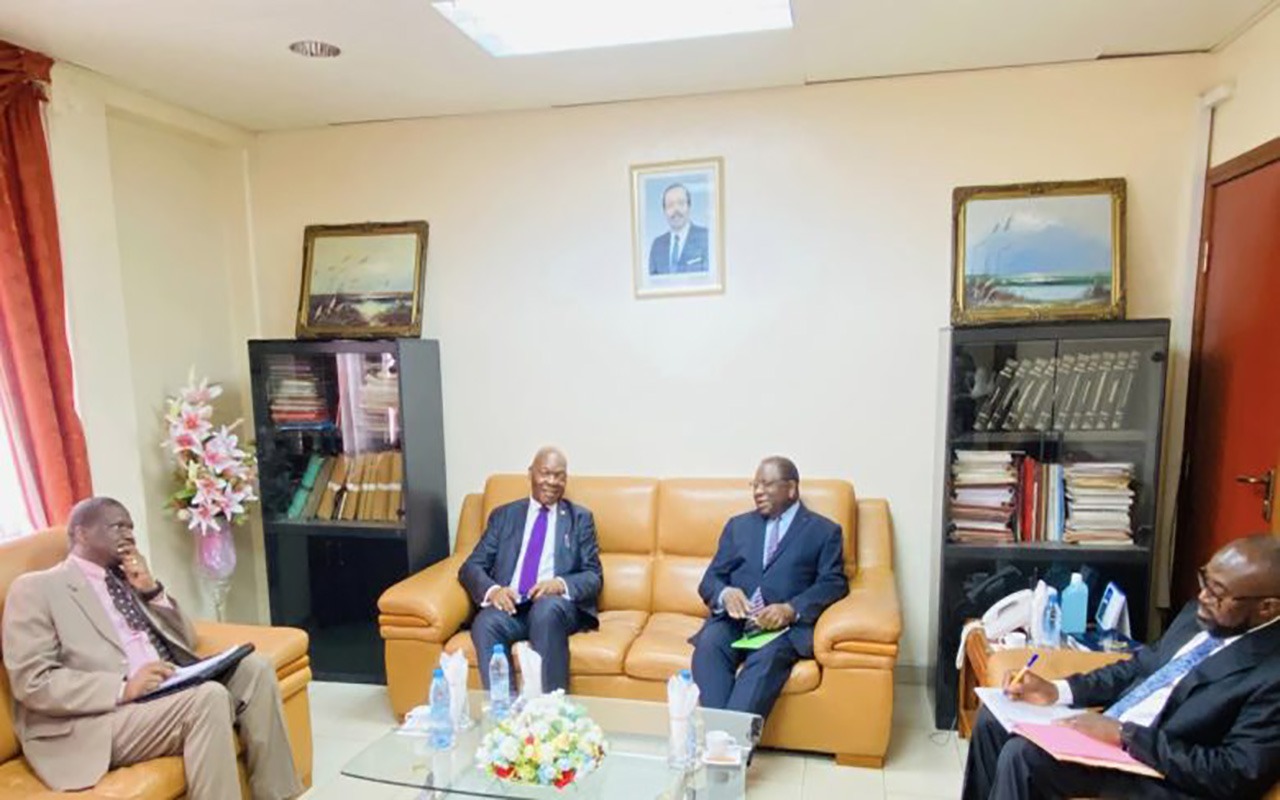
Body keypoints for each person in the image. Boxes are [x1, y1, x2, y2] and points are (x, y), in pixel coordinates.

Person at [1, 497, 301, 800]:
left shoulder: (128, 578)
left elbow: (187, 639)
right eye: (117, 526)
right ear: (81, 533)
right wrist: (123, 689)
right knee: (208, 698)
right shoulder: (36, 588)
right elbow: (33, 681)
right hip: (99, 717)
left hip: (166, 687)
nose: (128, 535)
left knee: (255, 669)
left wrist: (151, 590)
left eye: (130, 528)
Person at [962, 533, 1280, 800]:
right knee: (992, 720)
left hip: (1159, 773)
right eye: (1205, 581)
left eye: (1218, 594)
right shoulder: (1202, 615)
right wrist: (1056, 691)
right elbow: (1140, 666)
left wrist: (1127, 736)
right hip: (1116, 737)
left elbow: (1233, 772)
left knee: (1024, 757)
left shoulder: (1271, 674)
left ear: (1267, 608)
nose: (1203, 596)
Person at [689, 456, 848, 718]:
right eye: (755, 485)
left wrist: (791, 609)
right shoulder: (738, 526)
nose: (758, 492)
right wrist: (725, 594)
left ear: (791, 488)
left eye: (766, 484)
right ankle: (723, 737)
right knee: (709, 645)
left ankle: (725, 739)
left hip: (781, 630)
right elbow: (711, 579)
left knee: (767, 659)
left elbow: (833, 583)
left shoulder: (823, 531)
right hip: (733, 622)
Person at [458, 447, 603, 692]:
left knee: (545, 610)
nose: (552, 482)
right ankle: (504, 708)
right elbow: (471, 566)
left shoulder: (580, 519)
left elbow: (593, 576)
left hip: (555, 608)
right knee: (485, 623)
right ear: (530, 474)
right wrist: (494, 591)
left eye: (559, 476)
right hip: (512, 609)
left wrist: (559, 584)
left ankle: (552, 705)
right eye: (545, 473)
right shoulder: (504, 516)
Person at [648, 182, 710, 275]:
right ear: (664, 211)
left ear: (689, 207)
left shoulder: (706, 237)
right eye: (670, 205)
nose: (676, 210)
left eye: (681, 203)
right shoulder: (657, 245)